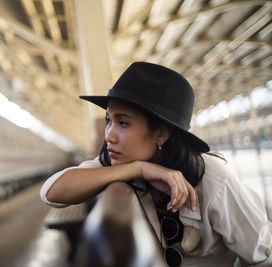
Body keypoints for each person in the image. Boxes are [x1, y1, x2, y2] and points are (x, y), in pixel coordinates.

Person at [40, 62, 272, 266]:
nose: (109, 135)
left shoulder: (214, 179)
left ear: (161, 134)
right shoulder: (119, 163)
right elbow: (51, 193)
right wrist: (138, 169)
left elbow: (262, 257)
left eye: (123, 123)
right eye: (109, 121)